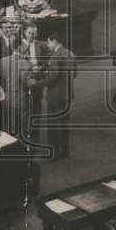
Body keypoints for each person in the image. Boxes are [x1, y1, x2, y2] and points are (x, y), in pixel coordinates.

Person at [43, 31, 77, 159]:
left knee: (52, 124)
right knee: (64, 123)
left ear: (54, 41)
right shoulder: (71, 54)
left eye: (48, 42)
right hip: (68, 94)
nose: (47, 44)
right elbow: (75, 73)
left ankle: (54, 154)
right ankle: (65, 151)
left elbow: (52, 77)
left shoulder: (55, 57)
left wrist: (41, 80)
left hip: (55, 96)